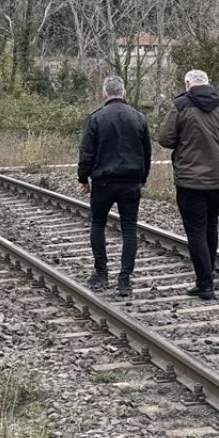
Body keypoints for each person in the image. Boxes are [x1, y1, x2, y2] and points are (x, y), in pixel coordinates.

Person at [158, 69, 219, 300]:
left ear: (188, 84)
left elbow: (165, 139)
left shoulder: (181, 106)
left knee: (195, 231)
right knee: (210, 228)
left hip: (190, 180)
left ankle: (205, 283)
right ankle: (208, 274)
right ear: (208, 83)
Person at [78, 76, 151, 297]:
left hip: (103, 182)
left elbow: (86, 152)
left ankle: (101, 272)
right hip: (131, 182)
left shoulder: (96, 118)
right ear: (124, 93)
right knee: (129, 229)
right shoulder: (138, 118)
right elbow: (147, 153)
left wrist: (83, 179)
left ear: (104, 94)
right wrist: (143, 178)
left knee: (98, 224)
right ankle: (124, 280)